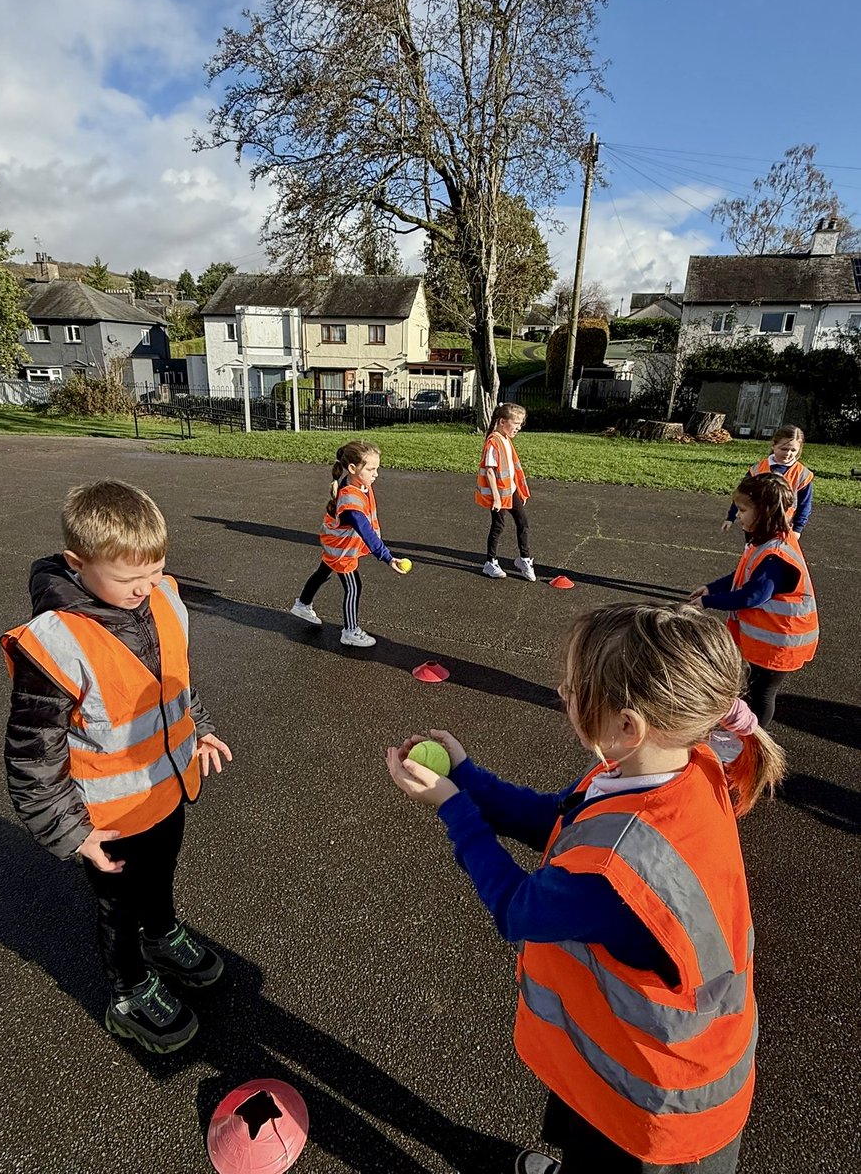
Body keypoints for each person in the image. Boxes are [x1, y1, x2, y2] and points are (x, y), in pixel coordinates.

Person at [387, 602, 786, 1174]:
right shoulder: (680, 763)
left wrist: (454, 809)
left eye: (576, 688)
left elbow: (516, 909)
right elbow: (559, 817)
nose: (562, 692)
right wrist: (469, 778)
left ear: (628, 725)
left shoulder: (617, 871)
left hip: (654, 1108)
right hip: (641, 1060)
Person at [2, 479, 232, 1054]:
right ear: (79, 566)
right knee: (118, 906)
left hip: (168, 790)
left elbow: (174, 683)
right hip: (107, 818)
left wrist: (199, 728)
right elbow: (33, 753)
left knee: (160, 874)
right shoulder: (57, 642)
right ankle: (128, 989)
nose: (146, 588)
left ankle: (162, 934)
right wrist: (71, 833)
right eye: (131, 580)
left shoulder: (163, 599)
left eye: (155, 573)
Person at [691, 472, 818, 728]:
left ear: (763, 512)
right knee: (751, 688)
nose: (737, 515)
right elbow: (742, 575)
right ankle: (745, 731)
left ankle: (753, 738)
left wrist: (709, 602)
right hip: (769, 640)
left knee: (761, 693)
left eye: (742, 510)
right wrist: (711, 587)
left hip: (779, 643)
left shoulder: (775, 556)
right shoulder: (765, 543)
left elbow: (752, 596)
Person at [290, 440, 405, 647]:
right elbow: (366, 531)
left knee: (323, 571)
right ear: (352, 468)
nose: (376, 474)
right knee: (353, 587)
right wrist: (387, 557)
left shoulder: (357, 483)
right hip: (342, 550)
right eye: (370, 469)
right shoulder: (351, 500)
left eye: (377, 468)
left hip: (336, 543)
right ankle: (350, 631)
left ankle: (303, 604)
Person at [476, 402, 535, 580]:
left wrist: (520, 492)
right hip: (499, 495)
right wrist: (495, 498)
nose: (518, 427)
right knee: (498, 526)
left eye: (520, 424)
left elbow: (512, 469)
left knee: (523, 523)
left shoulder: (506, 440)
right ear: (502, 421)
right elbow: (490, 472)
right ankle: (490, 562)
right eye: (515, 423)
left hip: (511, 491)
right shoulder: (493, 441)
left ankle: (524, 559)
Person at [721, 425, 813, 539]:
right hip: (755, 523)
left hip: (783, 526)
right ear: (773, 445)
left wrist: (797, 529)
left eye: (793, 450)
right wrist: (730, 517)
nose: (788, 453)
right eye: (784, 449)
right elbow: (742, 496)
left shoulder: (803, 474)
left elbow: (804, 505)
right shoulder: (757, 469)